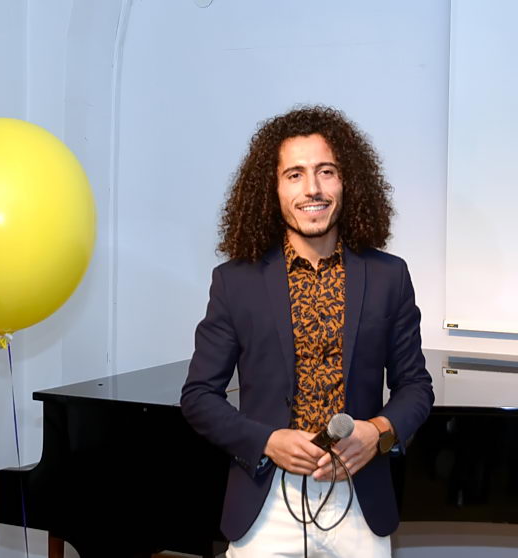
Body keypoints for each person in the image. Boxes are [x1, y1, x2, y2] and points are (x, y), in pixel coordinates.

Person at [180, 106, 434, 557]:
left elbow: (415, 387)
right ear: (273, 189)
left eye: (326, 171)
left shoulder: (390, 276)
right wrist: (267, 441)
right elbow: (198, 396)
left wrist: (378, 432)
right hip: (266, 502)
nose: (312, 188)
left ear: (347, 182)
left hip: (361, 502)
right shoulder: (234, 282)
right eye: (294, 174)